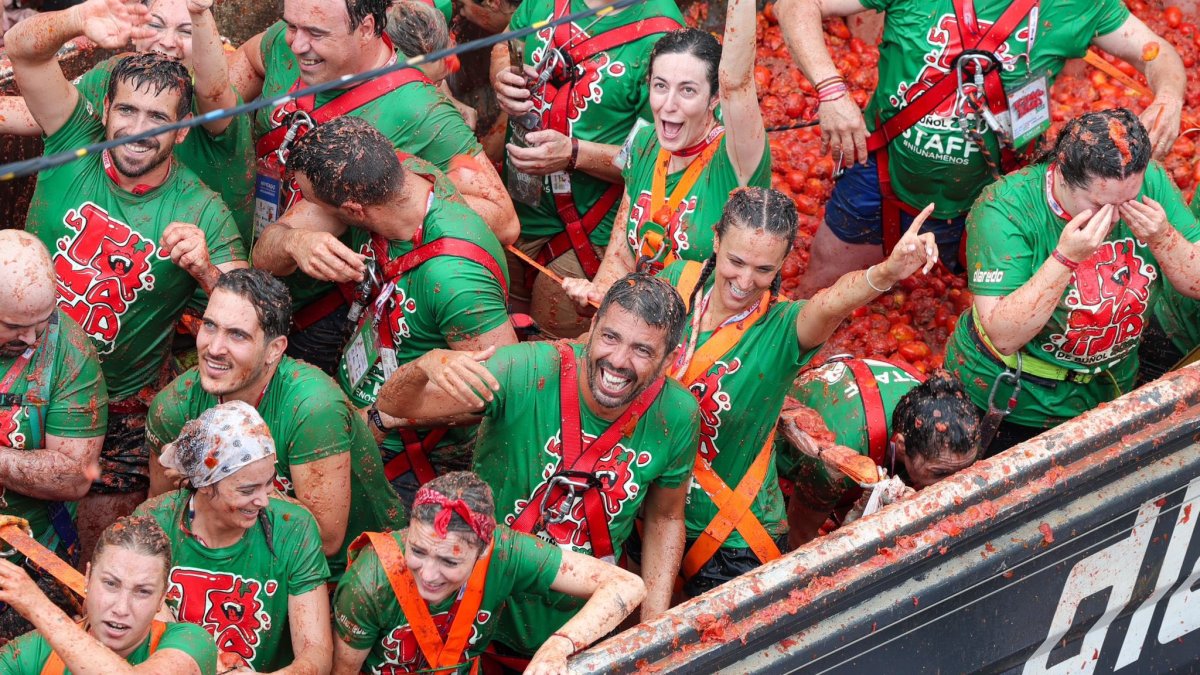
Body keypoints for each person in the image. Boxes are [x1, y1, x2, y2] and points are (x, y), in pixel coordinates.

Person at [6, 0, 248, 561]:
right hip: (11, 373)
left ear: (183, 131)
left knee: (97, 562)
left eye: (159, 120)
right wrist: (75, 18)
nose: (137, 132)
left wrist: (208, 271)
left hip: (113, 412)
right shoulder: (73, 138)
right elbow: (23, 50)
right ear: (105, 109)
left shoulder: (202, 209)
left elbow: (251, 314)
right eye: (127, 113)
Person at [619, 186, 937, 597]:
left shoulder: (786, 329)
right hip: (642, 504)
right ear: (715, 239)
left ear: (784, 263)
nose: (744, 281)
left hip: (731, 541)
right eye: (735, 261)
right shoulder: (676, 282)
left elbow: (829, 304)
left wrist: (886, 273)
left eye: (763, 270)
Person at [374, 273, 700, 662]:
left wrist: (653, 633)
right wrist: (426, 365)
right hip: (479, 615)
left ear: (670, 359)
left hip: (584, 630)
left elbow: (665, 519)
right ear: (592, 327)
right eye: (610, 337)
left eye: (642, 350)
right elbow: (396, 406)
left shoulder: (677, 415)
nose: (618, 360)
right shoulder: (523, 370)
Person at [777, 0, 1186, 298]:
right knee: (819, 286)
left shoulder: (1079, 6)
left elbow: (1157, 52)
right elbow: (795, 6)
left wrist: (1168, 95)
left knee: (982, 307)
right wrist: (830, 90)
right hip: (884, 173)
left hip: (1003, 194)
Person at [237, 0, 517, 374]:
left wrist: (388, 191)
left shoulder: (420, 111)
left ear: (367, 27)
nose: (297, 44)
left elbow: (503, 218)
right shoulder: (287, 44)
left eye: (317, 34)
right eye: (292, 26)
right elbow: (245, 63)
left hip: (334, 309)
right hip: (264, 275)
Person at [281, 117, 516, 503]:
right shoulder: (406, 177)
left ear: (354, 210)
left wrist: (381, 415)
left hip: (410, 461)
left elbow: (494, 389)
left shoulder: (455, 278)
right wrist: (298, 241)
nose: (309, 207)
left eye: (314, 202)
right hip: (357, 408)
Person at [944, 108, 1200, 458]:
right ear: (1062, 176)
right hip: (1015, 397)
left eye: (1129, 199)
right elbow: (1004, 334)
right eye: (1100, 204)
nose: (1116, 216)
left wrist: (1163, 236)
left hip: (1109, 386)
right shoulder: (1004, 207)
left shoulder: (1149, 182)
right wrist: (1065, 258)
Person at [145, 269, 407, 578]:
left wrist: (208, 478)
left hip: (347, 572)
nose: (214, 348)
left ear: (274, 349)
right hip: (236, 559)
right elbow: (159, 517)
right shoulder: (176, 406)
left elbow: (326, 539)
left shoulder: (311, 408)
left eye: (237, 335)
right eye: (210, 326)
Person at [490, 0, 682, 338]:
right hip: (513, 210)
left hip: (584, 235)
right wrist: (501, 76)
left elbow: (660, 157)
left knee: (549, 355)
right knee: (501, 327)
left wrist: (574, 153)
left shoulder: (663, 37)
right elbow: (508, 39)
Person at [332, 472, 645, 674]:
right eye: (418, 550)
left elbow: (626, 585)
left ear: (483, 550)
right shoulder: (369, 581)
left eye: (449, 562)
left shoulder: (505, 552)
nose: (427, 574)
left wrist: (558, 646)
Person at [0, 0, 256, 244]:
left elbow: (215, 89)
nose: (166, 42)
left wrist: (199, 12)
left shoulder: (210, 101)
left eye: (186, 31)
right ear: (135, 31)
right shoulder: (120, 74)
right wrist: (77, 18)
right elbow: (41, 111)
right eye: (155, 25)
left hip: (197, 259)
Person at [567, 10, 772, 313]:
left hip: (708, 334)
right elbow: (621, 256)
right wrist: (596, 295)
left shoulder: (735, 158)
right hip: (642, 327)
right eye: (660, 86)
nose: (669, 105)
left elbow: (737, 82)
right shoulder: (643, 142)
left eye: (688, 90)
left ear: (715, 97)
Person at [136, 401, 332, 673]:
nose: (264, 500)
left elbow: (317, 654)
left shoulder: (293, 529)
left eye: (269, 483)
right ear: (205, 484)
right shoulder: (155, 522)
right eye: (247, 490)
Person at [0, 232, 107, 639]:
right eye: (14, 326)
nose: (31, 337)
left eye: (42, 321)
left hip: (29, 554)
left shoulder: (70, 351)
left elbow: (75, 474)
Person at [780, 361, 980, 548]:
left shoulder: (935, 404)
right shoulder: (840, 451)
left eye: (966, 468)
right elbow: (800, 535)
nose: (955, 483)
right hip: (786, 446)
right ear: (901, 445)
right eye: (940, 473)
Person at [0, 515, 218, 675]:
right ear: (87, 578)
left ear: (162, 598)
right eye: (111, 584)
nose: (121, 608)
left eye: (143, 592)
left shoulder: (191, 641)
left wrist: (39, 607)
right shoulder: (28, 654)